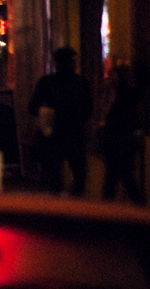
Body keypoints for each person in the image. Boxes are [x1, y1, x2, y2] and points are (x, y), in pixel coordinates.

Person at [28, 47, 92, 195]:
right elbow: (88, 111)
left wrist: (48, 113)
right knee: (72, 178)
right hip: (68, 135)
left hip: (59, 136)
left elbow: (32, 107)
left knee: (59, 178)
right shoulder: (80, 83)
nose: (73, 64)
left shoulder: (49, 82)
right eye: (70, 61)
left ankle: (62, 210)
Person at [98, 61, 147, 204]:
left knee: (115, 174)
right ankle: (138, 204)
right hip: (125, 136)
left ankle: (111, 207)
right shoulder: (133, 93)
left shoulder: (125, 92)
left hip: (119, 137)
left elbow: (118, 114)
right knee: (121, 174)